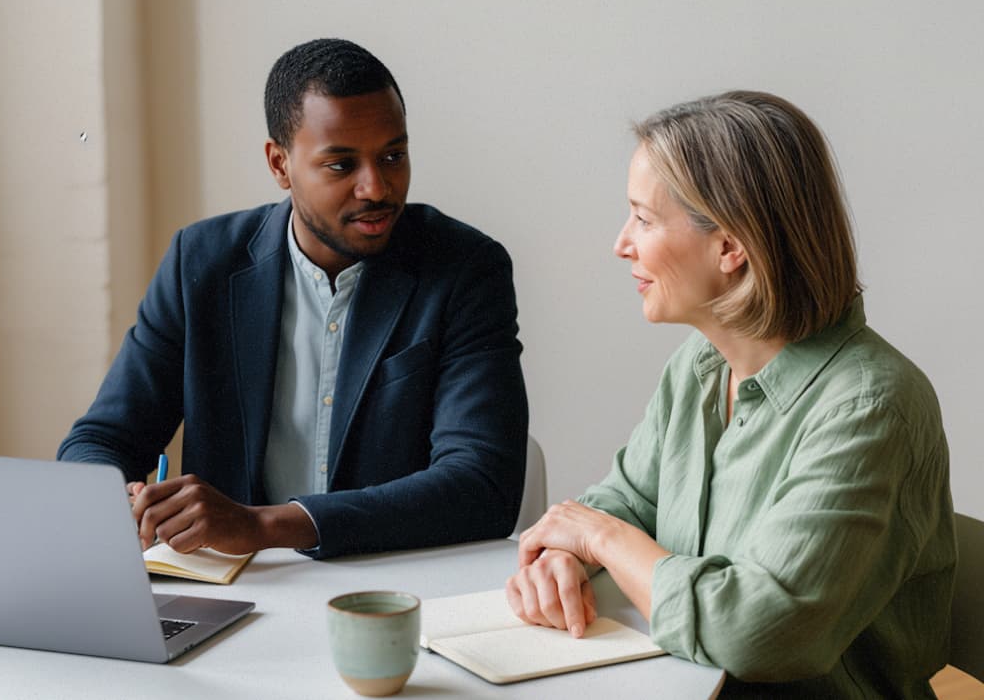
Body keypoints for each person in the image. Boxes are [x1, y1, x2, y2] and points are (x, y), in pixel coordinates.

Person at [507, 91, 954, 697]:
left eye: (643, 218)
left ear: (730, 246)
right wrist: (567, 559)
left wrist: (600, 540)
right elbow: (627, 500)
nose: (622, 243)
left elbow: (755, 631)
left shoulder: (870, 409)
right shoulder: (698, 366)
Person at [58, 38, 527, 561]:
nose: (376, 187)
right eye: (341, 165)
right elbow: (101, 438)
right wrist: (118, 500)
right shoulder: (202, 263)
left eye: (393, 155)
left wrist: (264, 525)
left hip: (392, 589)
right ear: (280, 164)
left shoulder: (464, 268)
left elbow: (483, 486)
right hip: (236, 593)